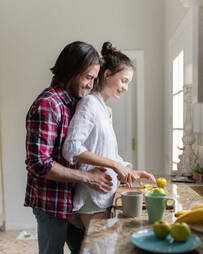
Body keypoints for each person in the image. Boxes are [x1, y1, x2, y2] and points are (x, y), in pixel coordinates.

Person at [24, 41, 115, 254]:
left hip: (71, 201)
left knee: (79, 252)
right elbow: (39, 163)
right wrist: (87, 177)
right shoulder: (47, 105)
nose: (90, 84)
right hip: (50, 202)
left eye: (94, 78)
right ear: (71, 71)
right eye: (88, 77)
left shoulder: (74, 102)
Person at [63, 42, 156, 230]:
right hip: (92, 197)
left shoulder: (106, 110)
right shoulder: (89, 103)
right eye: (124, 81)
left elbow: (106, 152)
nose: (125, 88)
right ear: (107, 75)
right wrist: (114, 165)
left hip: (106, 195)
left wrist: (129, 172)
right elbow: (71, 148)